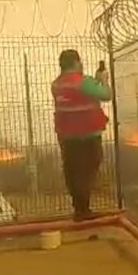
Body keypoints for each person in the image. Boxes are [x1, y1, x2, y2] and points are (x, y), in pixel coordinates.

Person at [52, 50, 112, 221]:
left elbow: (79, 93)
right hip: (87, 135)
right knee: (88, 170)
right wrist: (103, 81)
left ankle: (79, 208)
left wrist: (94, 80)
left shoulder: (57, 84)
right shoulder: (82, 82)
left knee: (73, 171)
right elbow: (106, 95)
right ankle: (83, 210)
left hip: (66, 136)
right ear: (76, 62)